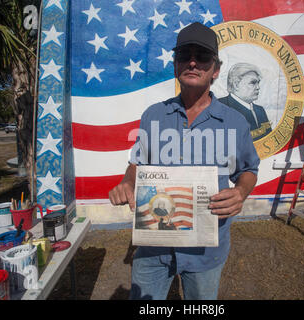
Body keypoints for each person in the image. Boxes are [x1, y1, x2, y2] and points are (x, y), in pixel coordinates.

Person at [109, 22, 260, 300]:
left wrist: (240, 192)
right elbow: (137, 164)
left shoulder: (236, 122)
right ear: (175, 64)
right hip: (153, 246)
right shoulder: (153, 116)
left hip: (207, 250)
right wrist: (127, 183)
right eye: (184, 55)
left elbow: (249, 170)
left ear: (215, 69)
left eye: (202, 56)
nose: (193, 62)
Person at [219, 63, 272, 141]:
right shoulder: (218, 107)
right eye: (253, 83)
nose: (258, 87)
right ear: (236, 85)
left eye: (258, 83)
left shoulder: (260, 110)